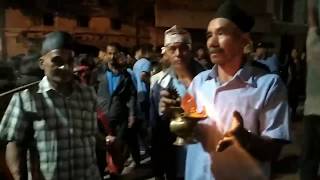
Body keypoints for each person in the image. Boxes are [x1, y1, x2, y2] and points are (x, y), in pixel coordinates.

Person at [160, 1, 290, 179]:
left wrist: (244, 139)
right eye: (209, 35)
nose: (212, 42)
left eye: (221, 33)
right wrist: (174, 112)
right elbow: (190, 128)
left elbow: (274, 151)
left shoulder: (268, 86)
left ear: (243, 40)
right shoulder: (199, 82)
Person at [0, 31, 101, 180]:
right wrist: (17, 175)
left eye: (70, 61)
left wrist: (108, 142)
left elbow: (90, 134)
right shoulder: (26, 99)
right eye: (57, 61)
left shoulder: (87, 93)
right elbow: (14, 143)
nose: (65, 67)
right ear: (42, 63)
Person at [150, 25, 204, 180]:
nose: (178, 54)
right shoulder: (160, 84)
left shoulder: (208, 79)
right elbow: (154, 129)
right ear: (166, 52)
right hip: (173, 160)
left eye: (183, 48)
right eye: (173, 49)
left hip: (203, 158)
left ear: (191, 50)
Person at [96, 43, 137, 178]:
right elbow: (90, 92)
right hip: (102, 117)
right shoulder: (98, 73)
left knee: (118, 147)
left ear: (119, 55)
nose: (112, 56)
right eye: (109, 53)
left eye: (115, 53)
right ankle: (102, 172)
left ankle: (116, 173)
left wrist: (131, 114)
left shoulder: (125, 75)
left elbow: (131, 95)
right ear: (106, 55)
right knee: (101, 149)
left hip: (120, 116)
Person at [300, 0, 320, 179]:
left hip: (313, 111)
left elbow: (312, 22)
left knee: (309, 161)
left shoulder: (314, 45)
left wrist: (311, 5)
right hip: (312, 110)